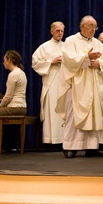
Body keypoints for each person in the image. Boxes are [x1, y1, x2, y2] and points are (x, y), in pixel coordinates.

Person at [55, 15, 103, 158]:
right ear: (82, 27)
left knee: (93, 115)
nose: (93, 29)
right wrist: (87, 58)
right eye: (91, 26)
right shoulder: (71, 41)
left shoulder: (98, 43)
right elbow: (69, 60)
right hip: (76, 85)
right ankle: (70, 147)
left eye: (95, 26)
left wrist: (99, 64)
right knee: (74, 115)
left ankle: (91, 147)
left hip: (93, 84)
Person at [32, 21, 65, 150]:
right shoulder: (44, 47)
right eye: (57, 31)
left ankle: (63, 141)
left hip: (64, 83)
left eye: (62, 31)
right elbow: (35, 62)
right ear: (52, 31)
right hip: (51, 83)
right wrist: (51, 62)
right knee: (52, 110)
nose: (60, 33)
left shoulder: (67, 46)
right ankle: (50, 142)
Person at [0, 50, 27, 116]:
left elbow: (8, 97)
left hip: (15, 107)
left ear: (9, 60)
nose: (3, 63)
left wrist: (0, 105)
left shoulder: (13, 74)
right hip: (22, 107)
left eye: (4, 60)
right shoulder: (21, 72)